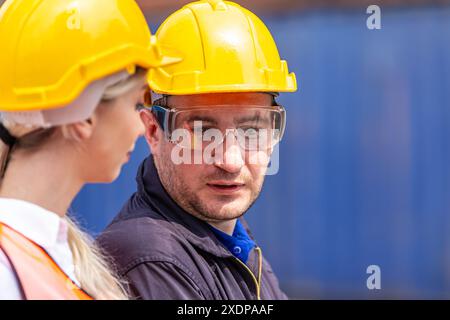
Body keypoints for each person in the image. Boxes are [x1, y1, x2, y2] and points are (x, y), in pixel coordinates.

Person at [97, 0, 297, 299]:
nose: (229, 160)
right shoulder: (149, 259)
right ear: (153, 131)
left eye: (251, 131)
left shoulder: (228, 239)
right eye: (202, 132)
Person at [0, 0, 180, 300]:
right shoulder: (8, 270)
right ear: (84, 116)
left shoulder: (47, 253)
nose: (141, 127)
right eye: (136, 103)